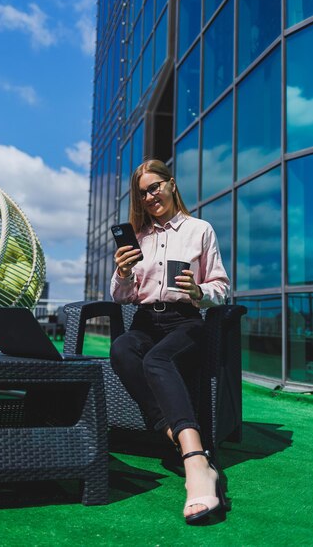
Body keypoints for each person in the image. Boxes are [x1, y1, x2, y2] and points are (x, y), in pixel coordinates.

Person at [110, 159, 230, 525]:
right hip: (146, 319)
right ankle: (184, 440)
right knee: (122, 348)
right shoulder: (138, 236)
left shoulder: (200, 230)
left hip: (185, 321)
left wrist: (199, 291)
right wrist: (122, 273)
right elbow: (120, 296)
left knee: (157, 360)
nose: (149, 196)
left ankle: (196, 465)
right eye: (142, 192)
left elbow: (222, 288)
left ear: (171, 184)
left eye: (154, 187)